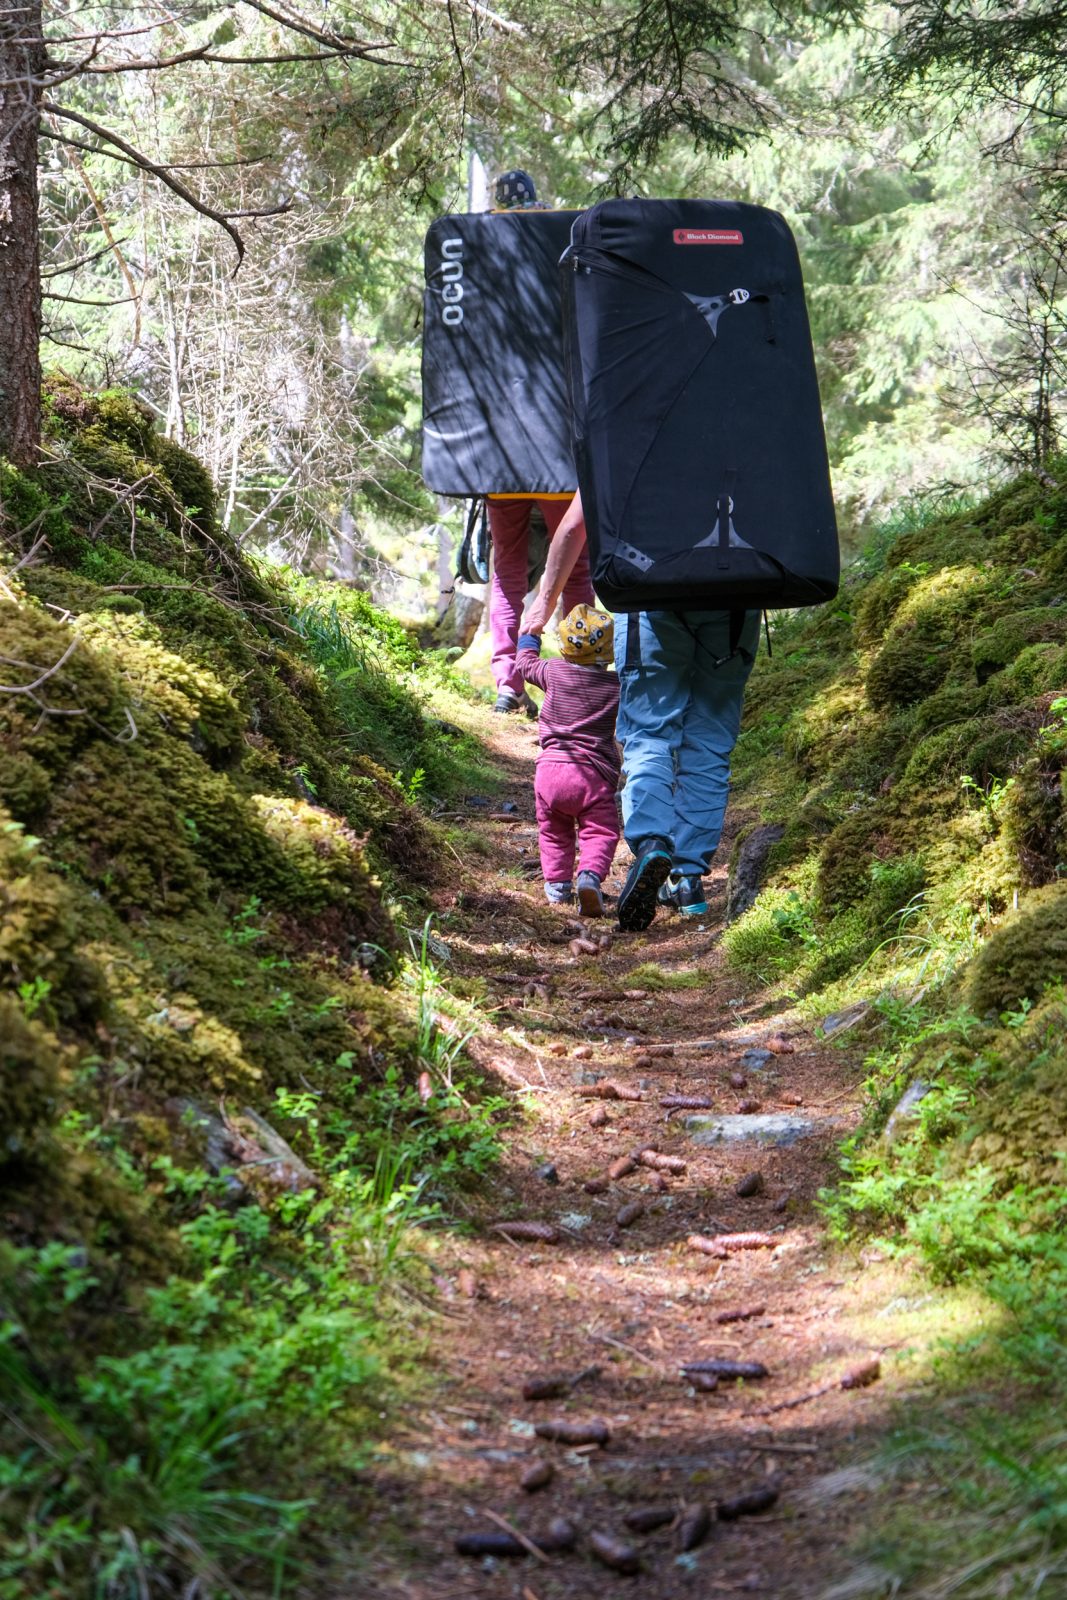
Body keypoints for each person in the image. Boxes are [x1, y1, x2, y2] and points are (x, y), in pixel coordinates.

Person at [521, 491, 759, 932]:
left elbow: (574, 525)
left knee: (650, 733)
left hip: (652, 591)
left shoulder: (629, 425)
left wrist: (545, 599)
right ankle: (687, 879)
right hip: (736, 595)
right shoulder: (743, 425)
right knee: (708, 743)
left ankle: (652, 842)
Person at [487, 169, 594, 716]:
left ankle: (508, 681)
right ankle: (578, 677)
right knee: (573, 565)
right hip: (553, 447)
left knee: (506, 567)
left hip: (497, 452)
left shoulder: (481, 266)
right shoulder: (563, 261)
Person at [516, 603, 620, 915]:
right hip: (593, 775)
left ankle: (557, 887)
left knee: (553, 830)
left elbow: (524, 665)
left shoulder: (553, 671)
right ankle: (589, 876)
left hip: (549, 773)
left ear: (563, 646)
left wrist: (530, 635)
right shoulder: (616, 686)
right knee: (600, 831)